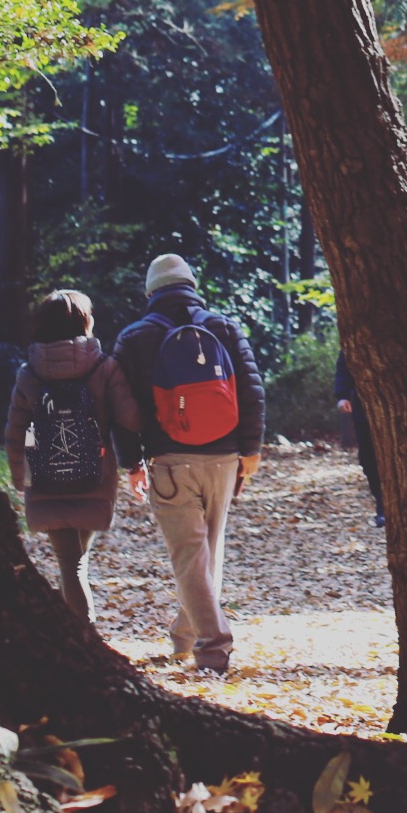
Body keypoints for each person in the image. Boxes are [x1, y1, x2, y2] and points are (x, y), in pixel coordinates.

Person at [112, 255, 265, 674]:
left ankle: (214, 647)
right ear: (192, 285)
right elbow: (251, 391)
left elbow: (124, 412)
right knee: (206, 553)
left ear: (151, 291)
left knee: (188, 555)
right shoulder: (223, 327)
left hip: (170, 458)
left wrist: (132, 463)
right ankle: (185, 637)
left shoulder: (134, 337)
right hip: (224, 457)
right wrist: (250, 450)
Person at [4, 290, 140, 620]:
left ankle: (82, 631)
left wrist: (19, 477)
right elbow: (131, 419)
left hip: (46, 477)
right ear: (85, 322)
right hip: (94, 474)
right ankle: (85, 634)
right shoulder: (104, 368)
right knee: (77, 560)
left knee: (71, 561)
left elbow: (15, 432)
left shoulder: (28, 373)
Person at [332, 352, 385, 527]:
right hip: (365, 404)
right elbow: (346, 360)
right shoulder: (358, 332)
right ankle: (382, 505)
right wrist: (342, 395)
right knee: (368, 457)